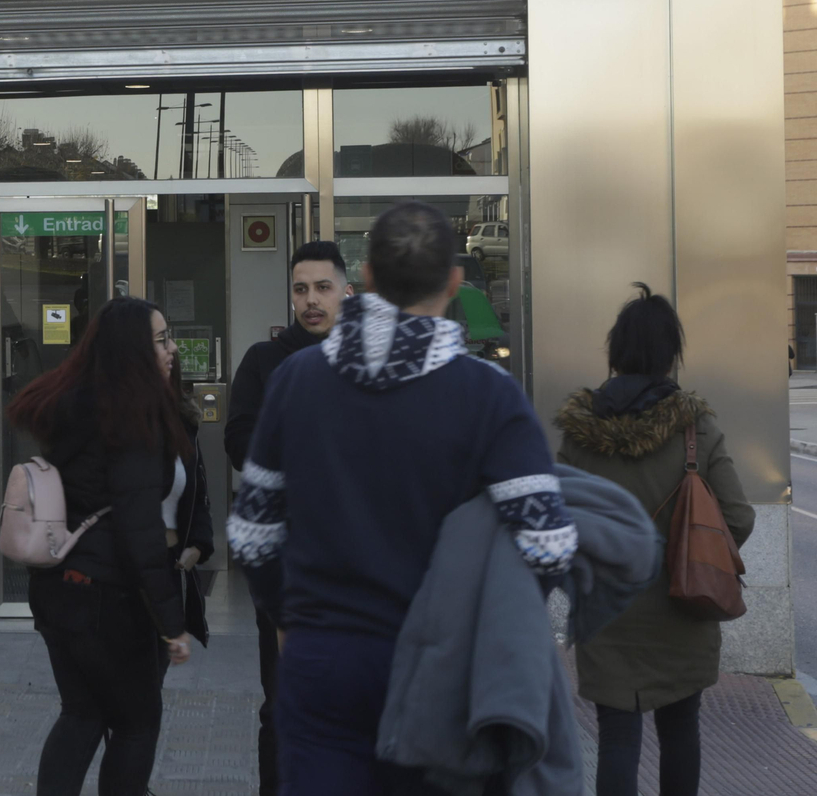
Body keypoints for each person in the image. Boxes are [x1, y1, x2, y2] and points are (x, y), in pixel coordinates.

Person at [228, 200, 577, 795]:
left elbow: (253, 535)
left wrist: (291, 615)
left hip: (323, 662)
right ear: (454, 282)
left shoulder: (295, 380)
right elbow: (548, 546)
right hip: (441, 668)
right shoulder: (489, 395)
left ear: (363, 280)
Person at [554, 284, 754, 796]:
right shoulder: (696, 429)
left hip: (607, 612)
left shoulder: (579, 434)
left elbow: (557, 521)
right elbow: (738, 516)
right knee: (681, 732)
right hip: (682, 607)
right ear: (670, 354)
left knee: (617, 740)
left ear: (616, 353)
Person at [8, 296, 198, 796]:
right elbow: (140, 533)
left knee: (82, 715)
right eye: (160, 340)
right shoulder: (130, 421)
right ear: (134, 351)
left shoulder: (75, 407)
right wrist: (171, 624)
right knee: (137, 723)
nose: (172, 349)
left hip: (59, 591)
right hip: (107, 599)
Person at [222, 239, 351, 796]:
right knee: (283, 703)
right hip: (288, 564)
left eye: (323, 287)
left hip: (361, 564)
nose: (311, 300)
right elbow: (239, 441)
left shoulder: (369, 359)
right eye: (301, 289)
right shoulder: (265, 361)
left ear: (348, 290)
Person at [170, 353, 216, 649]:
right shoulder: (105, 418)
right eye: (160, 341)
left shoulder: (183, 421)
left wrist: (199, 546)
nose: (172, 347)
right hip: (115, 582)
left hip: (168, 573)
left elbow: (198, 492)